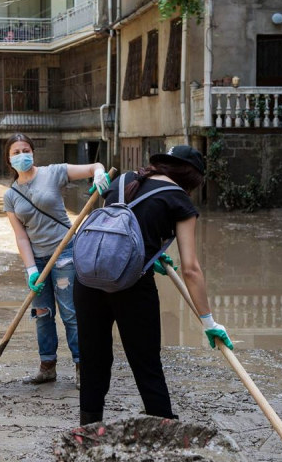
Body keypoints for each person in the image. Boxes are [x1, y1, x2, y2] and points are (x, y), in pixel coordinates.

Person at [73, 145, 233, 425]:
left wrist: (150, 253)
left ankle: (89, 431)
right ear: (192, 179)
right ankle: (164, 429)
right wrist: (209, 322)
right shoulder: (180, 201)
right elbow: (191, 269)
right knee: (146, 364)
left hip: (87, 280)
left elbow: (108, 236)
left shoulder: (121, 180)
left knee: (93, 359)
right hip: (132, 289)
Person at [2, 133, 110, 389]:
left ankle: (82, 365)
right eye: (16, 152)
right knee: (43, 314)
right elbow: (21, 237)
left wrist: (99, 175)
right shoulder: (11, 196)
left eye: (25, 150)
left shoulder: (53, 173)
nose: (21, 155)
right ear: (9, 159)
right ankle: (47, 366)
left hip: (64, 253)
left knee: (71, 313)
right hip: (36, 260)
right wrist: (30, 270)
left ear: (33, 152)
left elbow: (95, 167)